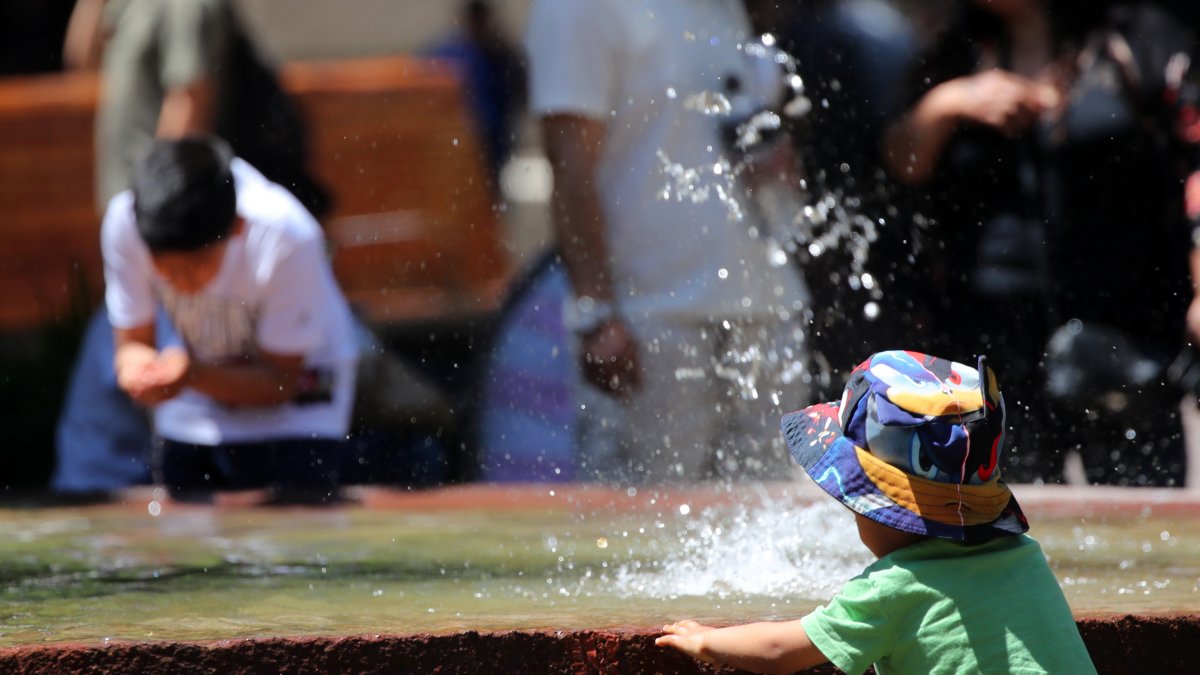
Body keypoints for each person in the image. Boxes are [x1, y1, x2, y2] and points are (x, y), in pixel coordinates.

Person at [883, 1, 1200, 487]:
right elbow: (901, 165)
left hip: (1128, 331)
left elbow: (1193, 163)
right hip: (991, 342)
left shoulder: (1140, 39)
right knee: (1001, 531)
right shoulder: (954, 52)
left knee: (1142, 528)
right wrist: (949, 103)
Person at [657, 350, 1097, 674]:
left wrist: (706, 640)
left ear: (884, 509)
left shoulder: (891, 591)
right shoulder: (1026, 557)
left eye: (856, 508)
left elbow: (778, 650)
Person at [524, 0, 810, 483]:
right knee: (645, 538)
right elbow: (570, 165)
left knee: (769, 533)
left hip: (765, 312)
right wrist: (596, 313)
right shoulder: (576, 9)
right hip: (652, 323)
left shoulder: (721, 8)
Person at [102, 136, 357, 501]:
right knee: (187, 527)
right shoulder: (125, 225)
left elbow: (281, 381)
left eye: (196, 267)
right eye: (165, 269)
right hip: (196, 381)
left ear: (236, 229)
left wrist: (189, 375)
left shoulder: (287, 236)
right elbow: (133, 345)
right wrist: (142, 373)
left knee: (298, 527)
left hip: (302, 390)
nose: (181, 284)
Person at [426, 0, 527, 188]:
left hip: (491, 140)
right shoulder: (454, 53)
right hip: (464, 138)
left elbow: (517, 91)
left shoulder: (498, 53)